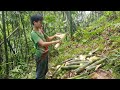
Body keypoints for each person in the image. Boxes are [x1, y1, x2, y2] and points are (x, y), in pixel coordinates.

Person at [30, 14, 61, 79]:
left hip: (45, 53)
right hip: (40, 55)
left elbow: (48, 38)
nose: (41, 24)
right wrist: (55, 42)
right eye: (40, 22)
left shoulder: (40, 30)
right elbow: (43, 44)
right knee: (40, 74)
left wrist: (55, 35)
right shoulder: (33, 33)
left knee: (44, 71)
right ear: (34, 22)